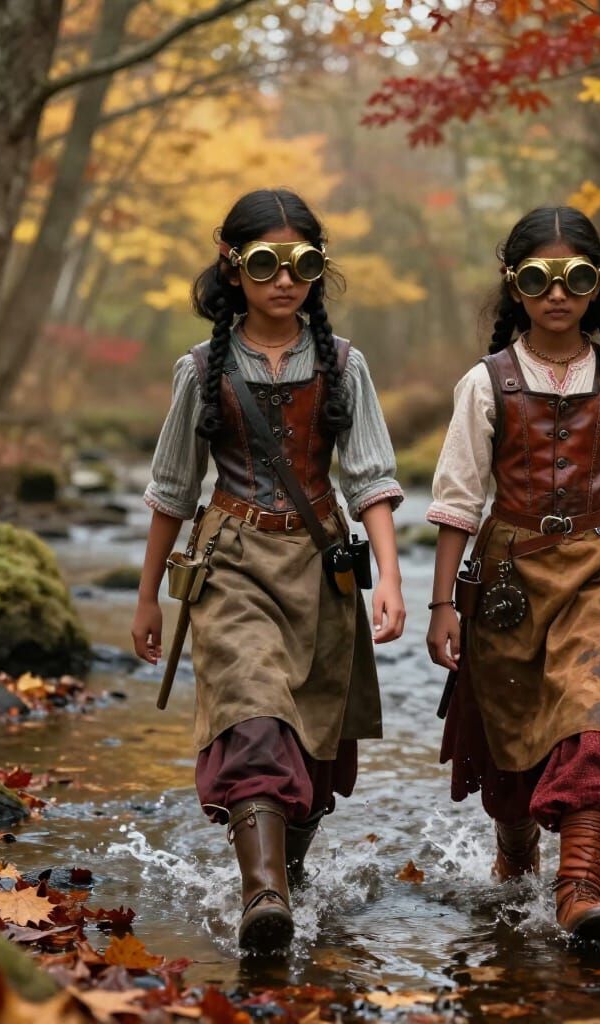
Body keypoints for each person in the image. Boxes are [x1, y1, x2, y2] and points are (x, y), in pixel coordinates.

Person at [132, 188, 405, 955]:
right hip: (231, 565)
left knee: (313, 740)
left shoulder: (347, 364)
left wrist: (389, 575)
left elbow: (372, 480)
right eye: (265, 263)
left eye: (303, 264)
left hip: (324, 569)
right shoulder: (199, 369)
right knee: (253, 714)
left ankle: (286, 875)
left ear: (319, 271)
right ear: (233, 267)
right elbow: (171, 491)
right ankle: (263, 898)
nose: (285, 280)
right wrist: (148, 596)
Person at [425, 206, 600, 943]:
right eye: (538, 278)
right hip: (507, 580)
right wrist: (443, 604)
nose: (557, 294)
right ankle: (517, 855)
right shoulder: (485, 384)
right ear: (514, 285)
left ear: (596, 284)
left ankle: (580, 890)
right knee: (512, 748)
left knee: (597, 715)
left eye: (575, 277)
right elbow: (455, 504)